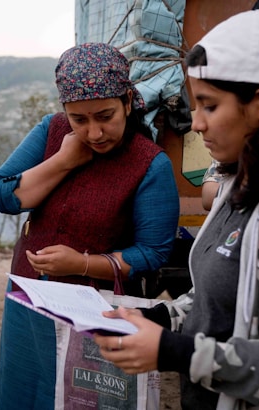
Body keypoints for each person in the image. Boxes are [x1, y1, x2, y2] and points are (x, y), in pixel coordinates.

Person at [0, 43, 179, 409]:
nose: (94, 133)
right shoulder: (52, 131)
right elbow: (3, 195)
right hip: (28, 302)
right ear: (65, 113)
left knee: (79, 397)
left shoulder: (149, 164)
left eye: (105, 116)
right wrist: (63, 160)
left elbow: (153, 252)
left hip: (93, 313)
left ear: (127, 101)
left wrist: (81, 264)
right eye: (80, 119)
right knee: (24, 392)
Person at [94, 10, 259, 410]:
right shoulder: (234, 188)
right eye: (193, 106)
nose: (196, 124)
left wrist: (175, 353)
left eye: (210, 106)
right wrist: (160, 319)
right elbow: (210, 302)